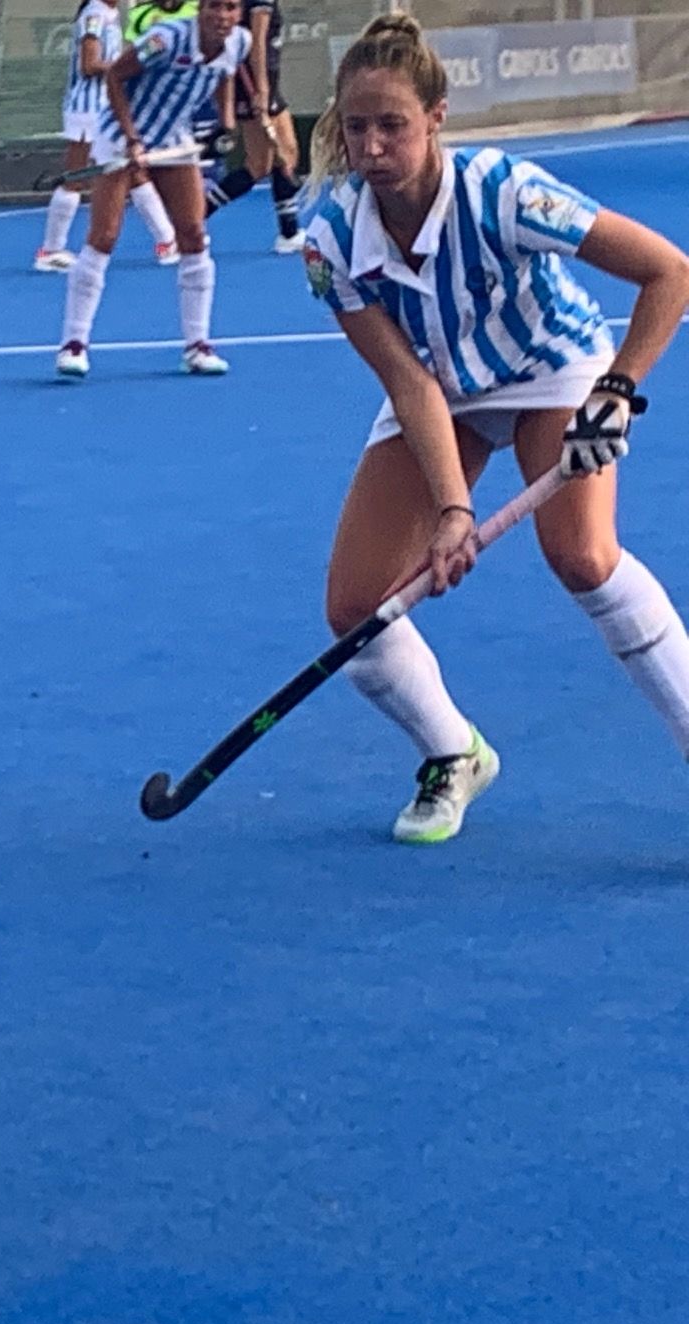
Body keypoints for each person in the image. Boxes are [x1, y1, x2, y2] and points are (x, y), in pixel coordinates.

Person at [304, 13, 689, 842]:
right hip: (444, 386)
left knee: (581, 554)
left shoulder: (503, 191)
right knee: (357, 607)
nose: (373, 148)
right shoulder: (330, 239)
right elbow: (407, 381)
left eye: (393, 126)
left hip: (554, 366)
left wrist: (617, 391)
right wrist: (452, 509)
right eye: (357, 127)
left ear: (436, 117)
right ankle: (454, 752)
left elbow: (669, 272)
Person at [54, 0, 247, 379]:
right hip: (119, 138)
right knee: (104, 236)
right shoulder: (166, 39)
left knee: (193, 234)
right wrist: (131, 138)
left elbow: (226, 74)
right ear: (200, 9)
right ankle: (74, 344)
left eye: (231, 8)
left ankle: (197, 345)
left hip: (175, 140)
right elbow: (115, 77)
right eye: (214, 7)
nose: (222, 17)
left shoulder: (239, 41)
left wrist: (225, 122)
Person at [34, 0, 179, 274]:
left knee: (134, 170)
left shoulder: (110, 14)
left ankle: (167, 240)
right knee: (77, 176)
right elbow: (89, 65)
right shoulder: (95, 14)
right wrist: (127, 68)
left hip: (105, 108)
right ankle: (50, 250)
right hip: (88, 109)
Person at [202, 0, 303, 252]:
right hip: (256, 83)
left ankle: (289, 233)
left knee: (283, 156)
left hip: (266, 79)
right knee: (261, 164)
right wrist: (261, 91)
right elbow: (256, 42)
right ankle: (193, 218)